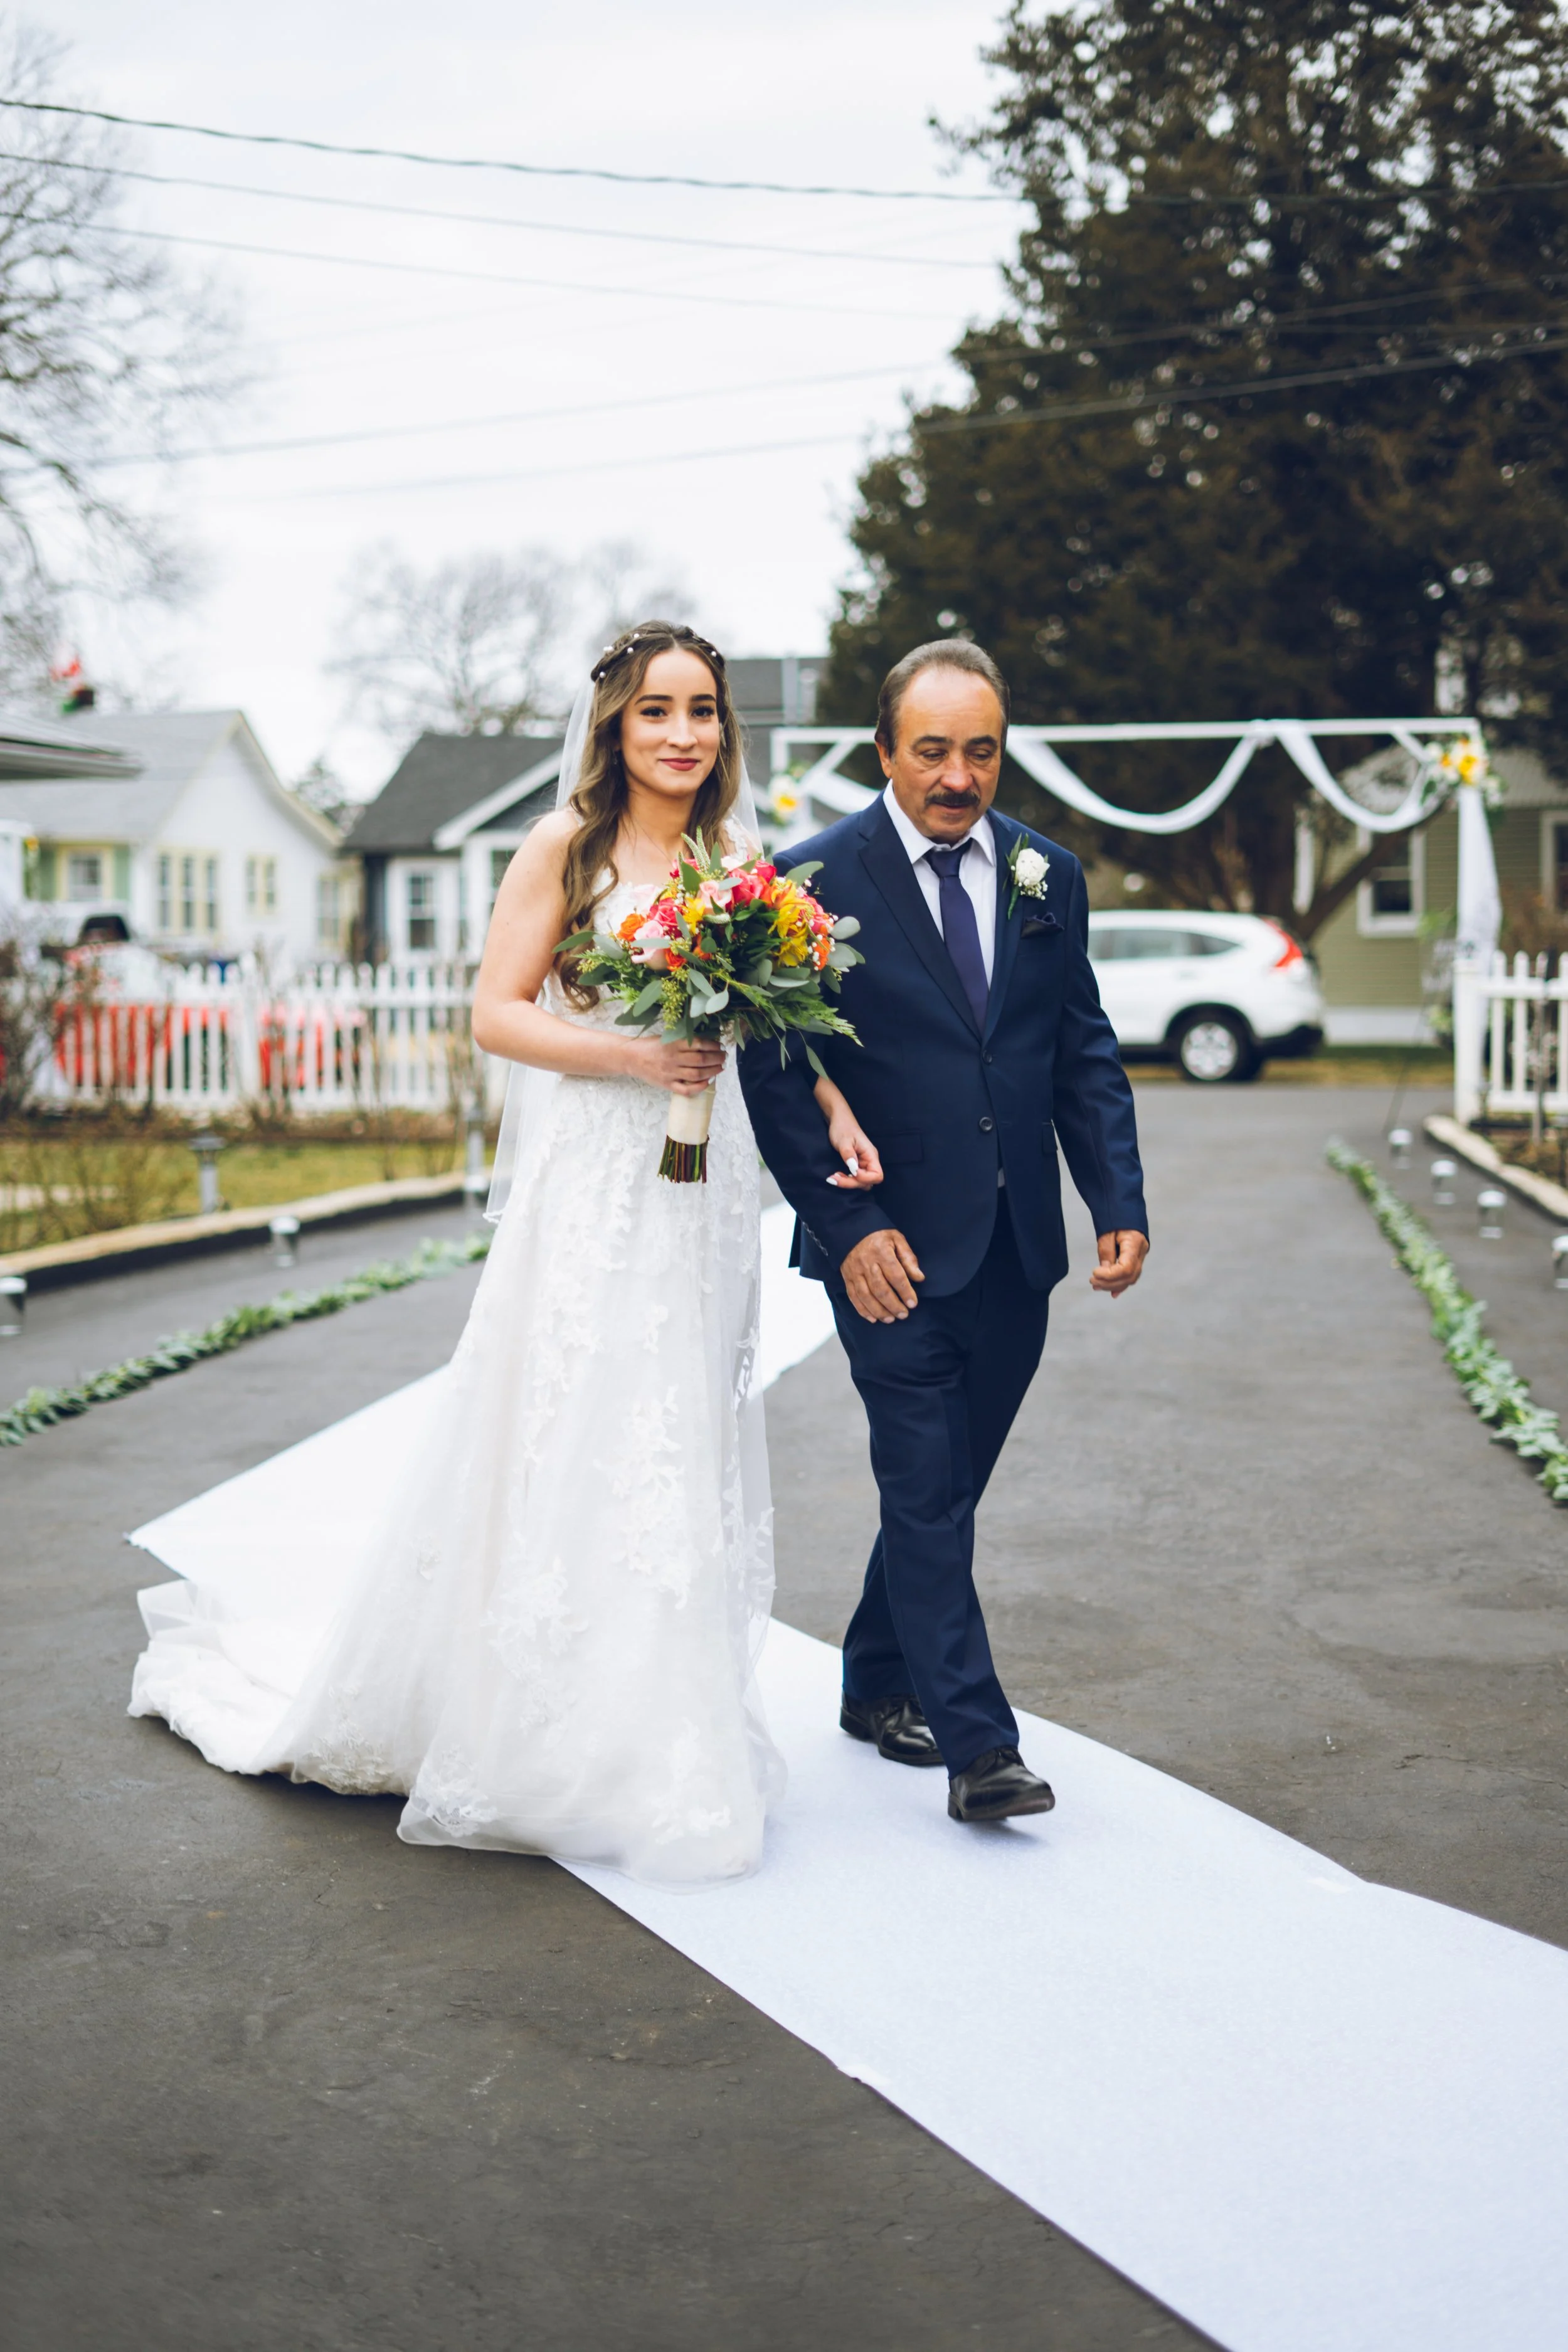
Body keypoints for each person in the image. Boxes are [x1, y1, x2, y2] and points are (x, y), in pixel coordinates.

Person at [129, 620, 882, 1885]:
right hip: (596, 1178)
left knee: (678, 1424)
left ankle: (665, 1725)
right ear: (614, 726)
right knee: (579, 1417)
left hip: (702, 1191)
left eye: (702, 710)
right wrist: (635, 1056)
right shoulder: (563, 846)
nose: (683, 733)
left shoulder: (735, 861)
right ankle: (540, 1725)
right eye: (656, 711)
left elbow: (772, 1023)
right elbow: (496, 1013)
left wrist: (831, 1104)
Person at [739, 638, 1149, 1826]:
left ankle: (874, 1679)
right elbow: (778, 1076)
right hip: (888, 1250)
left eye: (981, 751)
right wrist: (847, 1224)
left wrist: (1116, 1200)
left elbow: (1080, 1047)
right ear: (884, 751)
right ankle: (981, 1746)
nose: (958, 776)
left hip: (1018, 1243)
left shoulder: (1046, 876)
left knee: (947, 1487)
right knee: (924, 1480)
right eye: (932, 750)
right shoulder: (805, 883)